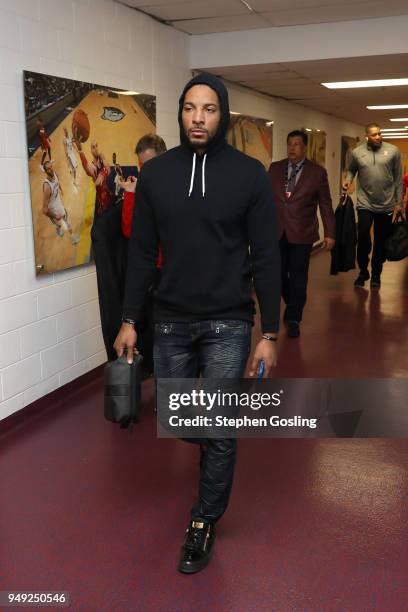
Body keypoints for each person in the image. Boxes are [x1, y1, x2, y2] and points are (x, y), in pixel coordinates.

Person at [113, 73, 281, 574]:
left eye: (209, 109)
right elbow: (141, 254)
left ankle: (203, 521)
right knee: (179, 417)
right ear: (180, 113)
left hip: (229, 320)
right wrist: (128, 319)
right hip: (169, 320)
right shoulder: (158, 175)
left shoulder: (250, 175)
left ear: (222, 114)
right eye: (190, 108)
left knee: (221, 426)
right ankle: (214, 436)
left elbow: (267, 256)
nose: (199, 118)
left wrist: (268, 332)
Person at [268, 130, 335, 338]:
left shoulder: (317, 172)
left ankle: (294, 317)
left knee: (298, 277)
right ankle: (293, 303)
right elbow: (263, 199)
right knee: (277, 276)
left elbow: (325, 203)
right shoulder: (275, 168)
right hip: (277, 231)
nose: (292, 148)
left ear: (304, 147)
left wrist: (330, 232)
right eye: (289, 144)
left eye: (297, 144)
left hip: (303, 233)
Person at [343, 123, 405, 288]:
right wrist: (348, 180)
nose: (378, 137)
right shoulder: (357, 153)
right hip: (365, 203)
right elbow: (351, 170)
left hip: (386, 204)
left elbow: (398, 178)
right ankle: (363, 270)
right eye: (374, 135)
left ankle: (376, 273)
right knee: (363, 236)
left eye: (379, 133)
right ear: (367, 137)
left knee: (380, 240)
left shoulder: (393, 151)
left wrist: (399, 203)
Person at [42, 160, 80, 245]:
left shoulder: (54, 173)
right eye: (48, 169)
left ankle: (73, 237)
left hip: (58, 202)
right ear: (45, 171)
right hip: (52, 208)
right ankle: (58, 228)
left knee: (66, 219)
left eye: (51, 167)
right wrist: (55, 215)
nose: (50, 169)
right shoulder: (47, 186)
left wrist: (61, 189)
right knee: (57, 222)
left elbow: (57, 182)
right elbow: (44, 210)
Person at [74, 137, 112, 215]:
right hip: (101, 196)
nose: (95, 149)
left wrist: (102, 174)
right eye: (93, 147)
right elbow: (87, 169)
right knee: (105, 213)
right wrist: (81, 152)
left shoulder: (102, 157)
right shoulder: (93, 166)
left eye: (96, 146)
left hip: (107, 190)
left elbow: (109, 169)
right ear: (91, 151)